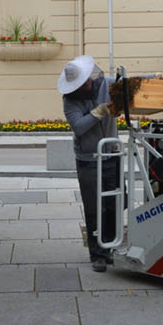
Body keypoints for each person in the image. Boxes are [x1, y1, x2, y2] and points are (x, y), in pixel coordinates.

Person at [58, 55, 119, 272]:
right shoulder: (70, 101)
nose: (88, 83)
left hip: (112, 154)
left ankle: (111, 245)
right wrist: (98, 112)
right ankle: (98, 255)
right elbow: (79, 126)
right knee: (95, 208)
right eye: (82, 83)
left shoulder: (106, 84)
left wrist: (158, 78)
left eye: (87, 78)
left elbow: (132, 86)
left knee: (116, 204)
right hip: (88, 160)